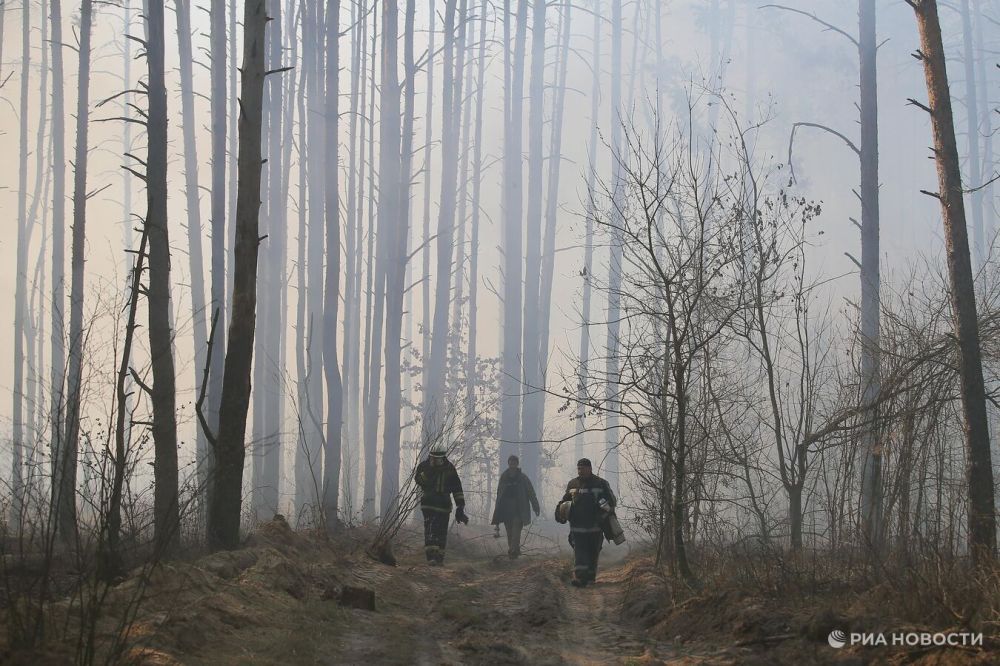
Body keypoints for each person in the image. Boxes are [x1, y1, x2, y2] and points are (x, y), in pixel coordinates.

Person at [556, 458, 617, 587]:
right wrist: (559, 512)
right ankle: (579, 578)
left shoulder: (601, 483)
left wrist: (604, 513)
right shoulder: (572, 484)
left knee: (593, 552)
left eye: (583, 468)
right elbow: (565, 501)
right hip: (577, 527)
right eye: (578, 468)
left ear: (590, 468)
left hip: (596, 527)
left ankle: (590, 578)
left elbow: (612, 502)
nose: (580, 471)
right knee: (580, 552)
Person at [414, 443, 468, 565]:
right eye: (434, 457)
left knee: (441, 532)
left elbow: (457, 489)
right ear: (430, 456)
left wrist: (460, 507)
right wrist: (430, 469)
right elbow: (419, 480)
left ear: (443, 457)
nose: (436, 460)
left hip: (444, 506)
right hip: (429, 504)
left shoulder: (450, 468)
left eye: (439, 458)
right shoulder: (424, 466)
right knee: (431, 529)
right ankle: (431, 557)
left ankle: (439, 558)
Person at [490, 455, 541, 559]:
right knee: (509, 533)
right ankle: (515, 552)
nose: (512, 464)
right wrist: (498, 509)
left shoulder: (523, 478)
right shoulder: (504, 477)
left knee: (516, 532)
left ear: (517, 464)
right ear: (508, 463)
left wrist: (536, 507)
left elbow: (531, 493)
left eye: (514, 462)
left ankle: (512, 551)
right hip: (506, 510)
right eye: (511, 462)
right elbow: (499, 494)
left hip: (519, 510)